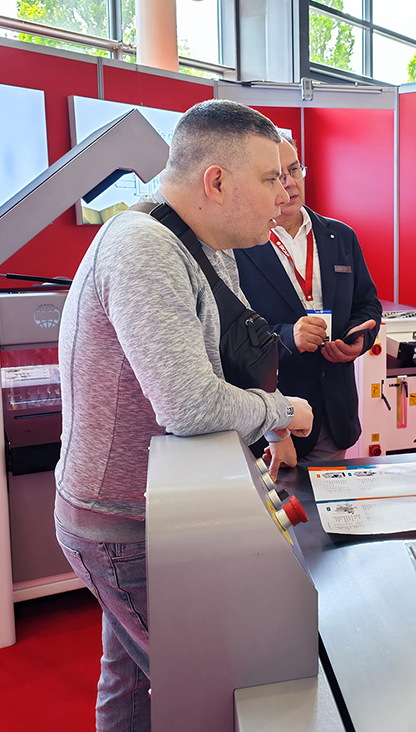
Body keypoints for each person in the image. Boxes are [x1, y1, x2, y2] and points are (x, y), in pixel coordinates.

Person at [53, 100, 314, 732]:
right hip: (126, 521)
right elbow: (189, 405)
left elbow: (225, 360)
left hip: (159, 510)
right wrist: (283, 411)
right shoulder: (144, 246)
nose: (283, 195)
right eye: (269, 178)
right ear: (216, 182)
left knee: (132, 680)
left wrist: (264, 423)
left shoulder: (203, 243)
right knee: (210, 691)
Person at [236, 138, 382, 464]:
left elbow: (368, 304)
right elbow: (231, 335)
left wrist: (360, 340)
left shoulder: (340, 236)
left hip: (336, 414)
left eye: (294, 170)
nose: (289, 182)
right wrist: (289, 337)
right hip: (274, 422)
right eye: (276, 176)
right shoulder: (238, 246)